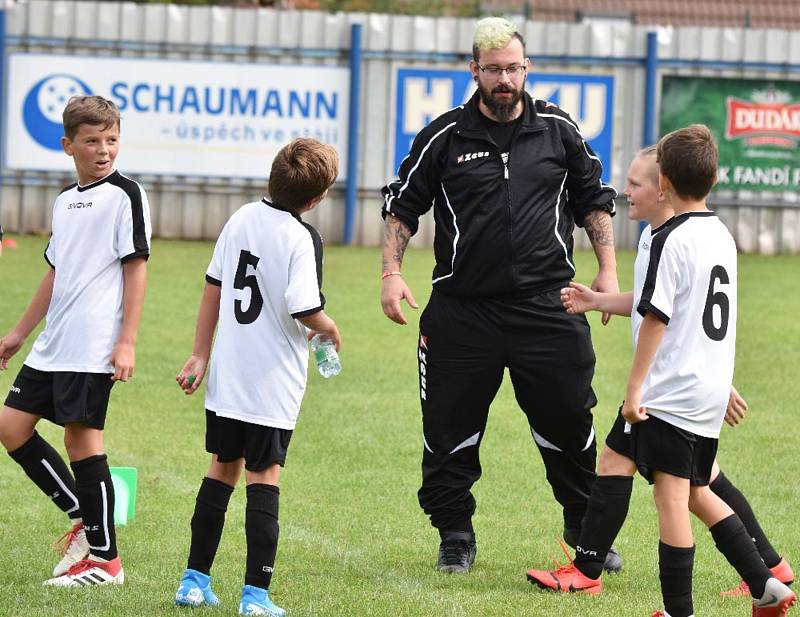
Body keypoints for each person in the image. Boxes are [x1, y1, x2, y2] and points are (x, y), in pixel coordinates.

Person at [380, 16, 621, 574]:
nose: (504, 79)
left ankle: (584, 531)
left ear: (526, 67)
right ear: (475, 72)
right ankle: (455, 536)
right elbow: (402, 207)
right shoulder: (443, 136)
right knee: (449, 429)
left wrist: (607, 271)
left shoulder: (558, 129)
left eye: (513, 68)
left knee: (570, 423)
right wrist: (391, 273)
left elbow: (594, 199)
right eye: (493, 70)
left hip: (549, 307)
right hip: (463, 312)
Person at [526, 147, 794, 599]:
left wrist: (635, 391)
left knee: (683, 492)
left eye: (635, 183)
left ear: (663, 187)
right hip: (695, 384)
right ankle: (769, 571)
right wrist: (597, 301)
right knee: (653, 470)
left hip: (667, 390)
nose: (624, 191)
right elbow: (684, 305)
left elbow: (660, 315)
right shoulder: (713, 233)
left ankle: (742, 586)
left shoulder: (669, 239)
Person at [173, 138, 341, 617]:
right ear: (315, 200)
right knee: (264, 477)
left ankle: (193, 581)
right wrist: (331, 329)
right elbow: (306, 308)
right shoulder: (301, 236)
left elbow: (214, 286)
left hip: (228, 377)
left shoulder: (241, 217)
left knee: (220, 470)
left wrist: (199, 354)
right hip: (271, 384)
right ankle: (256, 597)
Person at [0, 95, 150, 586]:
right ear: (68, 146)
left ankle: (106, 562)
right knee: (10, 427)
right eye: (91, 141)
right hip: (53, 342)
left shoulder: (126, 195)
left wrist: (126, 341)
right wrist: (20, 333)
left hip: (92, 343)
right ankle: (85, 520)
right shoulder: (65, 200)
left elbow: (136, 268)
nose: (103, 150)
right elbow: (56, 271)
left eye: (111, 140)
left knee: (81, 440)